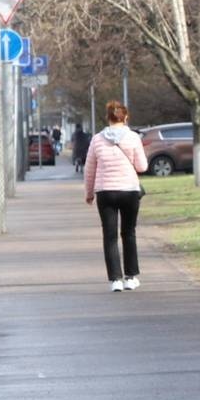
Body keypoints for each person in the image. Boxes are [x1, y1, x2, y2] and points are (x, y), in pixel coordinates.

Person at [84, 101, 147, 292]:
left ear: (108, 118)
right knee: (129, 232)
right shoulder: (133, 137)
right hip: (129, 191)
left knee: (109, 236)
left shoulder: (97, 139)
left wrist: (89, 194)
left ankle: (115, 280)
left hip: (105, 193)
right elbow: (142, 166)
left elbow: (89, 169)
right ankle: (130, 277)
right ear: (125, 117)